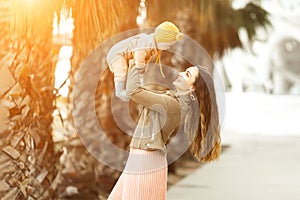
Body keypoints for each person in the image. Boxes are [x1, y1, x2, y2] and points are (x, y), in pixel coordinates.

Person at [107, 63, 221, 200]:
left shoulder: (173, 105)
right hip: (142, 156)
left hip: (147, 159)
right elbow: (142, 95)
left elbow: (134, 92)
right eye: (185, 71)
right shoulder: (172, 98)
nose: (180, 73)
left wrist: (136, 62)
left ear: (192, 88)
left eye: (187, 75)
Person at [106, 21, 183, 101]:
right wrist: (141, 67)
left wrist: (143, 70)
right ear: (161, 41)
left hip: (123, 56)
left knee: (135, 72)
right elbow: (139, 55)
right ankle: (119, 91)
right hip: (117, 54)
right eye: (168, 45)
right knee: (122, 71)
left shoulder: (153, 47)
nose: (169, 48)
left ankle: (139, 85)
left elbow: (146, 59)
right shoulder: (146, 43)